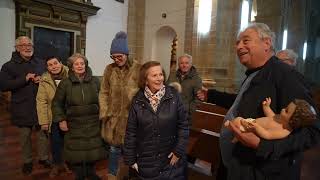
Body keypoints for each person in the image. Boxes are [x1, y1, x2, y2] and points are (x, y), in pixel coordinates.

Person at [197, 23, 320, 180]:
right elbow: (244, 104)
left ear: (267, 43)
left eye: (246, 41)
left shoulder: (285, 75)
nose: (239, 46)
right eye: (237, 43)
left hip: (262, 171)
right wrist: (211, 95)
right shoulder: (256, 73)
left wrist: (262, 145)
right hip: (237, 166)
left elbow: (311, 131)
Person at [123, 61, 189, 179]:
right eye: (154, 75)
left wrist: (178, 151)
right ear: (145, 79)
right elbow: (131, 132)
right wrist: (130, 159)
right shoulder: (137, 100)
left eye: (161, 74)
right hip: (146, 162)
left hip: (170, 162)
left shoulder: (174, 96)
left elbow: (183, 126)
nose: (159, 79)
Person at [0, 36, 51, 175]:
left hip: (40, 105)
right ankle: (27, 161)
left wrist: (43, 79)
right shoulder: (8, 66)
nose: (28, 47)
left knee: (43, 134)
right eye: (23, 45)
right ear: (17, 48)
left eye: (30, 45)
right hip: (22, 106)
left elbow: (49, 78)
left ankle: (43, 158)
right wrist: (24, 79)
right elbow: (3, 85)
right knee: (25, 136)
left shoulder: (41, 63)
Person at [52, 53, 104, 180]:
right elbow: (56, 103)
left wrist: (104, 114)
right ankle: (79, 175)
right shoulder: (65, 83)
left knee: (93, 151)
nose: (80, 66)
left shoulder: (96, 81)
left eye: (82, 63)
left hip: (93, 122)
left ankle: (91, 172)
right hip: (74, 123)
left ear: (85, 65)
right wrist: (61, 120)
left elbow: (103, 99)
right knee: (76, 153)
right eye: (76, 64)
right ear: (71, 67)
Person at [99, 31, 141, 180]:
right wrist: (105, 111)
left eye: (119, 56)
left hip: (132, 118)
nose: (116, 59)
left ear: (126, 54)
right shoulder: (109, 69)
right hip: (114, 118)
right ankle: (112, 175)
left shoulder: (138, 68)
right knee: (114, 149)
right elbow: (103, 92)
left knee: (132, 150)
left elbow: (143, 92)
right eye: (113, 57)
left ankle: (132, 176)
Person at [36, 56, 71, 177]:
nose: (54, 66)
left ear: (61, 63)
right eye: (50, 65)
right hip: (53, 116)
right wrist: (43, 121)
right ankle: (57, 164)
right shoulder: (44, 79)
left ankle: (67, 162)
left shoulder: (71, 74)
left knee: (69, 141)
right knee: (55, 142)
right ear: (47, 68)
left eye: (55, 63)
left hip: (70, 115)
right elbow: (41, 101)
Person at [225, 97, 317, 141]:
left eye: (286, 111)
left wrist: (256, 127)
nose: (283, 109)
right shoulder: (280, 118)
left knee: (238, 121)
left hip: (251, 130)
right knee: (240, 120)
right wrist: (266, 107)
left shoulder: (284, 131)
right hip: (251, 123)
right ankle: (234, 131)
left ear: (293, 121)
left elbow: (267, 135)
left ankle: (231, 126)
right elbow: (270, 116)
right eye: (286, 107)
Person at [167, 54, 202, 125]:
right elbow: (166, 89)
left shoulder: (196, 79)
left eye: (187, 63)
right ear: (178, 64)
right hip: (171, 112)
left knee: (182, 134)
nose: (184, 65)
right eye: (181, 63)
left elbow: (198, 98)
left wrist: (189, 111)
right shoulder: (172, 75)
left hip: (185, 115)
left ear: (191, 64)